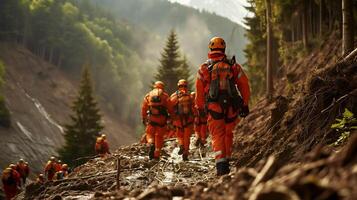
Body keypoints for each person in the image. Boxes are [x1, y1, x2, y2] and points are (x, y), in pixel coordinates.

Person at [195, 37, 250, 175]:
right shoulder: (233, 66)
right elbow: (244, 85)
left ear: (210, 49)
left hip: (214, 107)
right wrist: (245, 104)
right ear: (223, 49)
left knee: (217, 135)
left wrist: (200, 108)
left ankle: (221, 165)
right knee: (228, 133)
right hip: (232, 107)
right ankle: (227, 157)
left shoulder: (203, 69)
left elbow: (199, 92)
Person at [141, 81, 172, 160]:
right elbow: (170, 108)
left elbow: (144, 108)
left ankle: (151, 143)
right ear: (162, 87)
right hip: (162, 120)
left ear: (155, 87)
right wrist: (172, 117)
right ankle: (157, 154)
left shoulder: (148, 95)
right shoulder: (165, 96)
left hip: (152, 119)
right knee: (159, 136)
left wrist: (144, 117)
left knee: (149, 133)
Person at [170, 79, 195, 161]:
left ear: (178, 86)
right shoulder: (190, 95)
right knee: (187, 137)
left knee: (180, 135)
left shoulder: (174, 96)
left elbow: (170, 106)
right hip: (188, 120)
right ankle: (185, 153)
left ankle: (181, 145)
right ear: (186, 86)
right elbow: (194, 107)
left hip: (178, 120)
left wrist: (171, 118)